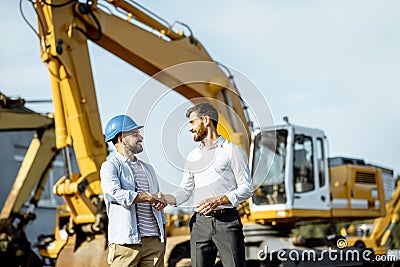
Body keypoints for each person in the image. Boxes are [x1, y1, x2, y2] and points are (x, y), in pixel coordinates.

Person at [164, 103, 253, 267]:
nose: (190, 128)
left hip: (226, 222)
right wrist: (165, 198)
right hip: (200, 224)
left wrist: (218, 201)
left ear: (206, 120)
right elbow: (185, 191)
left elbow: (247, 188)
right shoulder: (192, 156)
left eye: (192, 122)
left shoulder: (232, 151)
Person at [100, 114, 168, 267]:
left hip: (154, 243)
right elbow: (114, 194)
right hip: (126, 244)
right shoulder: (110, 166)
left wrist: (162, 238)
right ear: (121, 139)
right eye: (135, 134)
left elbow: (158, 206)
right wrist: (147, 197)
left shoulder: (148, 169)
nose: (141, 138)